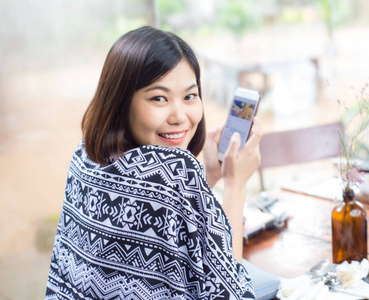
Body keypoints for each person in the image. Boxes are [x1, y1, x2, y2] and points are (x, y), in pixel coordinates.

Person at [45, 26, 262, 299]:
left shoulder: (85, 155)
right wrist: (235, 184)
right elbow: (232, 293)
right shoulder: (174, 175)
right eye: (159, 98)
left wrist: (209, 176)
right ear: (121, 102)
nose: (180, 116)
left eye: (189, 96)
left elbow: (163, 223)